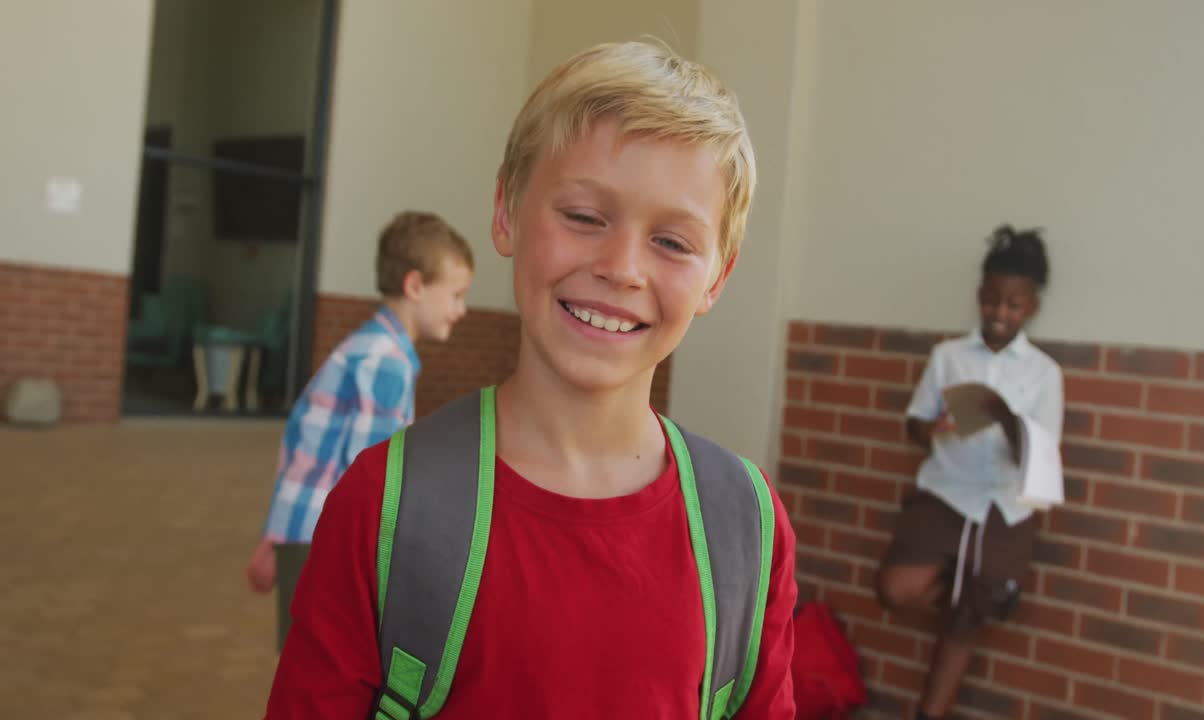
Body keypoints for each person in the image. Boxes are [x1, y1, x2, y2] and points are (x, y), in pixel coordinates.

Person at [263, 41, 798, 719]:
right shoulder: (386, 506)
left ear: (717, 277)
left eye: (673, 242)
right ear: (507, 211)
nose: (622, 267)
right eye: (583, 217)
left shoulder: (746, 526)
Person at [245, 210, 474, 650]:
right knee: (320, 662)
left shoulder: (370, 349)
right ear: (415, 286)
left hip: (302, 533)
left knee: (307, 658)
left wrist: (276, 534)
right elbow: (373, 476)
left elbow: (308, 451)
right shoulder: (385, 362)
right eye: (457, 295)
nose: (462, 310)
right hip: (321, 542)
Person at [875, 225, 1063, 720]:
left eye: (1014, 304)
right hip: (946, 493)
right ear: (979, 297)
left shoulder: (1044, 374)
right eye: (992, 301)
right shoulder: (948, 357)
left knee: (971, 621)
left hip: (1004, 504)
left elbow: (1043, 459)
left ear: (1031, 308)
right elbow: (914, 427)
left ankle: (928, 714)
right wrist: (935, 428)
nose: (1000, 313)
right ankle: (963, 597)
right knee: (895, 588)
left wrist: (1007, 421)